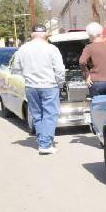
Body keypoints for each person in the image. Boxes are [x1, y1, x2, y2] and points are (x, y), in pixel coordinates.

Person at [12, 24, 65, 155]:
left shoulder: (23, 48)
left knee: (37, 114)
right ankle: (45, 145)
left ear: (32, 34)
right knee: (50, 114)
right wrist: (60, 83)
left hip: (31, 86)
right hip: (49, 86)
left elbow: (16, 68)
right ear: (46, 34)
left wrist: (27, 76)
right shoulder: (51, 48)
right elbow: (59, 70)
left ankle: (42, 140)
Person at [79, 22, 106, 97]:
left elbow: (82, 61)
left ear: (90, 35)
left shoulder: (89, 47)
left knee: (98, 107)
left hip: (96, 82)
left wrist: (87, 74)